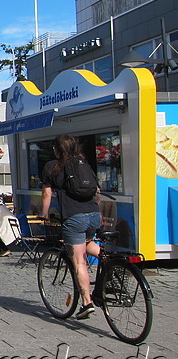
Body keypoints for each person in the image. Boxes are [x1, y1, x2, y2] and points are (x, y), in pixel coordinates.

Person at [40, 133, 101, 320]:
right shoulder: (84, 163)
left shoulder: (52, 167)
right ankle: (108, 260)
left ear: (56, 149)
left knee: (79, 262)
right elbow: (97, 191)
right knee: (86, 242)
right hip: (93, 215)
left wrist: (44, 214)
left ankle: (86, 303)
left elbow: (46, 194)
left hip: (74, 218)